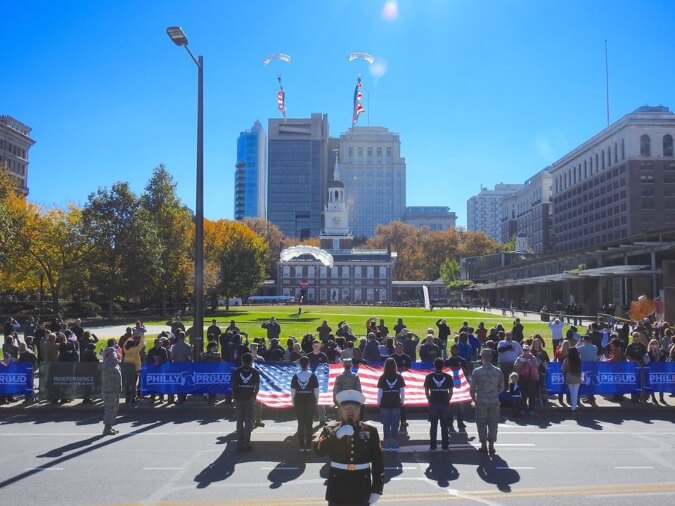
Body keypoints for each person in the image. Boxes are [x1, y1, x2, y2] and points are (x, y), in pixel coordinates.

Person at [314, 390, 384, 506]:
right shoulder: (330, 429)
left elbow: (378, 461)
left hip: (361, 486)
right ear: (340, 409)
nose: (350, 411)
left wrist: (377, 489)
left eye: (355, 408)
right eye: (346, 407)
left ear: (360, 409)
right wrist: (335, 436)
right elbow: (318, 450)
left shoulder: (370, 431)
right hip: (337, 487)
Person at [470, 348, 504, 455]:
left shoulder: (477, 371)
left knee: (482, 423)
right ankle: (491, 446)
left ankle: (484, 445)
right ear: (491, 357)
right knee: (493, 423)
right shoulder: (498, 371)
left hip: (481, 400)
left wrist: (475, 400)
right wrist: (494, 393)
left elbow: (472, 389)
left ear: (482, 357)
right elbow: (502, 387)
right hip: (494, 400)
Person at [231, 352, 260, 451]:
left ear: (242, 360)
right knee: (248, 422)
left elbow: (233, 385)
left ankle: (239, 443)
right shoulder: (255, 372)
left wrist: (234, 398)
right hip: (249, 399)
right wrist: (254, 397)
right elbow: (257, 386)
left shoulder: (237, 371)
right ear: (251, 361)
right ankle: (246, 444)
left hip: (239, 399)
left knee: (239, 421)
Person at [291, 356, 320, 452]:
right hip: (310, 400)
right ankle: (308, 445)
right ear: (308, 364)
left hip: (299, 400)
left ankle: (301, 445)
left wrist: (293, 401)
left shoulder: (295, 376)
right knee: (309, 423)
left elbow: (293, 391)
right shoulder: (313, 376)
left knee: (300, 423)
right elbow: (316, 391)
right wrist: (316, 400)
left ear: (300, 364)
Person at [424, 357, 453, 451]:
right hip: (444, 403)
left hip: (434, 403)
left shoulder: (429, 376)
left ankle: (433, 446)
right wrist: (448, 399)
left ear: (434, 365)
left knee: (433, 425)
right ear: (443, 365)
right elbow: (451, 391)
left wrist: (429, 399)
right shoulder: (448, 377)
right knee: (444, 425)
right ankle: (445, 445)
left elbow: (426, 391)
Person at [377, 357, 405, 451]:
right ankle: (395, 443)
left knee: (386, 424)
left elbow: (380, 392)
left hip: (385, 403)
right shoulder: (399, 377)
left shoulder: (382, 377)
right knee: (395, 423)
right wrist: (402, 401)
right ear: (395, 366)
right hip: (396, 402)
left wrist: (378, 402)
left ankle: (386, 443)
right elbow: (402, 391)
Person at [101, 339, 122, 435]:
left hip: (113, 389)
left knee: (113, 408)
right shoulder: (110, 365)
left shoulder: (110, 363)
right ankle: (107, 428)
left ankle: (110, 426)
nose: (115, 356)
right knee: (110, 408)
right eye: (114, 355)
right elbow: (116, 376)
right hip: (110, 389)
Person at [514, 345, 540, 415]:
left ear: (529, 351)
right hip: (522, 378)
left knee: (531, 394)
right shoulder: (519, 357)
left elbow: (536, 366)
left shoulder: (533, 358)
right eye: (524, 350)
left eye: (526, 350)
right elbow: (515, 366)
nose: (525, 351)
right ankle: (523, 409)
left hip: (531, 378)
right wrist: (522, 363)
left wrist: (530, 363)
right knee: (523, 394)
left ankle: (532, 409)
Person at [170, 332, 193, 404]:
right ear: (184, 337)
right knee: (185, 382)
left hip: (177, 366)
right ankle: (184, 396)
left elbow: (172, 357)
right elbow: (190, 357)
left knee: (178, 382)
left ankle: (180, 397)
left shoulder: (174, 346)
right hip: (185, 365)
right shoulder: (187, 346)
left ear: (178, 337)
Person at [562, 347, 582, 412]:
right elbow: (580, 369)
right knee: (575, 393)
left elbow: (563, 369)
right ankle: (574, 407)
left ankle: (573, 408)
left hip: (569, 377)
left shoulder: (567, 360)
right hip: (577, 377)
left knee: (571, 393)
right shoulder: (578, 360)